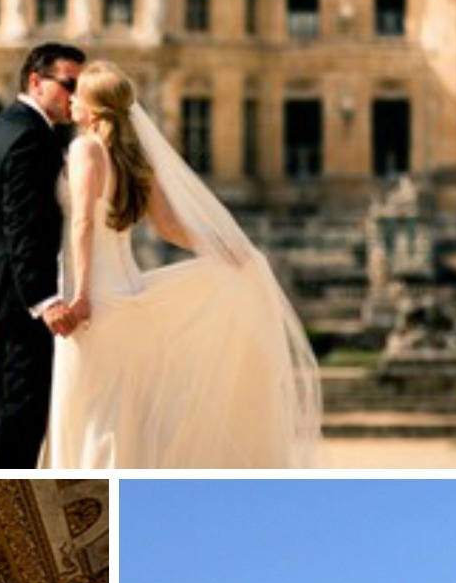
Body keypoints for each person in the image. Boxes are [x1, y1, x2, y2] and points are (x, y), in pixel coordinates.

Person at [45, 61, 321, 468]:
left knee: (92, 413)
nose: (70, 99)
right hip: (132, 290)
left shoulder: (85, 148)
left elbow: (84, 222)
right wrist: (227, 250)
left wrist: (82, 294)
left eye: (78, 94)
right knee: (126, 413)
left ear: (95, 107)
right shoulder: (133, 157)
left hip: (98, 297)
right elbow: (172, 226)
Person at [0, 44, 86, 468]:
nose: (76, 95)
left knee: (4, 406)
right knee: (23, 411)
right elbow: (23, 225)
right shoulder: (33, 137)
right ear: (37, 81)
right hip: (21, 297)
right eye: (69, 84)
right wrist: (44, 298)